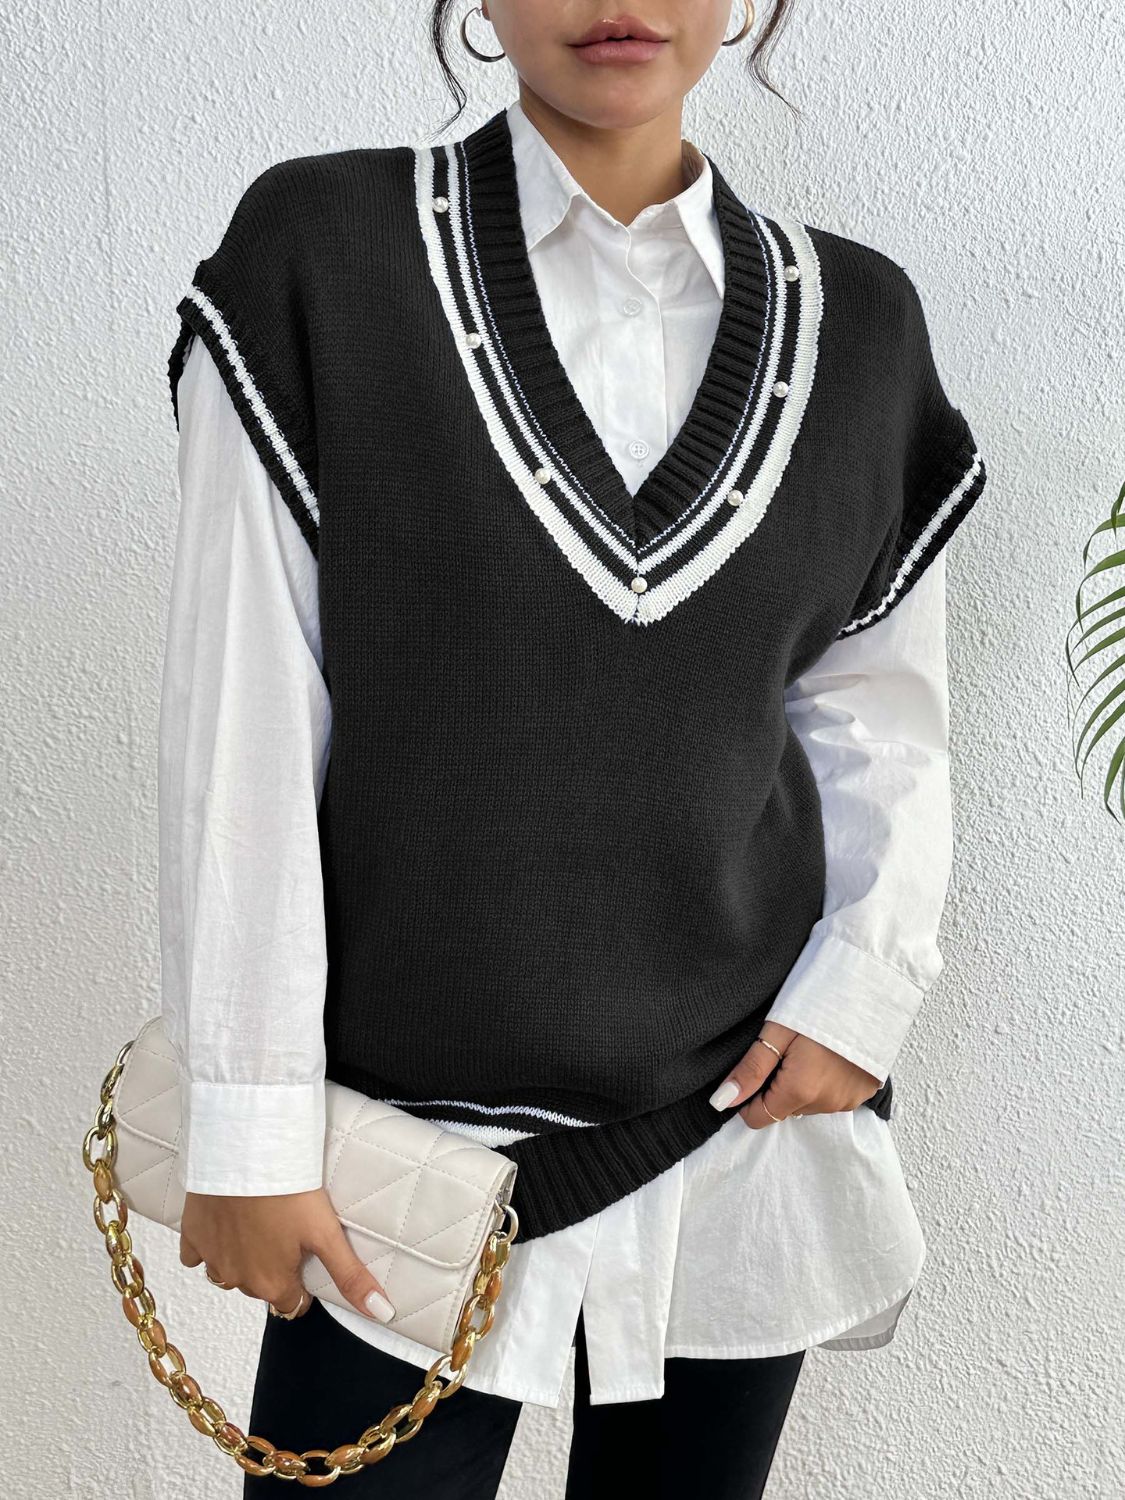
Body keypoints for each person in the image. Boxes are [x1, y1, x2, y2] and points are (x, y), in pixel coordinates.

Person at [159, 3, 987, 1495]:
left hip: (737, 1130)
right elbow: (245, 709)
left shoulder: (859, 324)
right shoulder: (323, 257)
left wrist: (862, 991)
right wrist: (248, 1125)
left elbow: (873, 709)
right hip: (392, 1159)